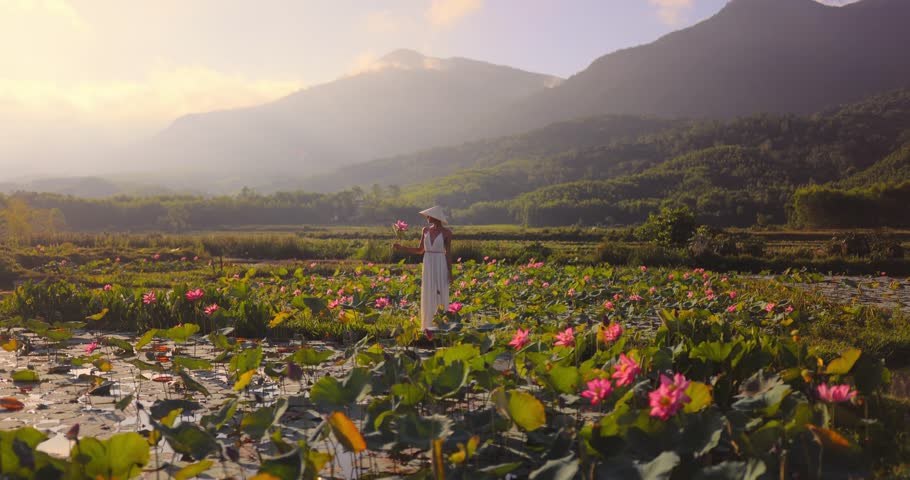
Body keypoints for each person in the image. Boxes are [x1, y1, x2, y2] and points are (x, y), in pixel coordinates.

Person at [392, 206, 453, 333]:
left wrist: (449, 272)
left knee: (440, 290)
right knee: (429, 290)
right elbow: (420, 250)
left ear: (436, 217)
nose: (427, 218)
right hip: (428, 262)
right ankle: (428, 324)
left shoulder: (447, 233)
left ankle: (442, 324)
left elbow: (448, 253)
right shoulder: (425, 230)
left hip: (440, 262)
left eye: (429, 216)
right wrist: (402, 247)